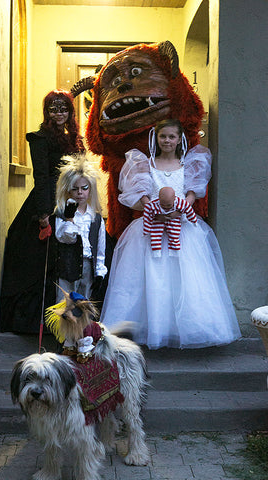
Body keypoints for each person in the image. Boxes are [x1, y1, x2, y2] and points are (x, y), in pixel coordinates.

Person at [100, 118, 241, 349]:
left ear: (179, 139)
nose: (167, 140)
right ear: (156, 138)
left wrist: (178, 209)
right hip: (151, 228)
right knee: (151, 277)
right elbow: (143, 193)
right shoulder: (146, 164)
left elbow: (192, 194)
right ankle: (149, 328)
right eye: (163, 136)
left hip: (181, 228)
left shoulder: (189, 164)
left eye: (171, 137)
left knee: (184, 278)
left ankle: (181, 328)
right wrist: (154, 210)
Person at [0, 89, 84, 333]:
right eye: (53, 109)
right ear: (47, 112)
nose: (59, 113)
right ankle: (36, 321)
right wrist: (44, 213)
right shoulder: (40, 138)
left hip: (70, 203)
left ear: (70, 111)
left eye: (64, 109)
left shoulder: (75, 138)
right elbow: (42, 177)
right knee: (39, 262)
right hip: (47, 203)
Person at [53, 154, 107, 302]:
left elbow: (100, 247)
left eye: (84, 188)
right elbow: (64, 237)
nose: (80, 192)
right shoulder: (62, 214)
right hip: (67, 264)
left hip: (88, 266)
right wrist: (70, 219)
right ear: (68, 190)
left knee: (84, 304)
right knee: (65, 304)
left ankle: (83, 326)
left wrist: (99, 271)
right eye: (75, 189)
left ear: (90, 189)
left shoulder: (95, 218)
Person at [142, 186, 198, 256]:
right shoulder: (153, 204)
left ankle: (174, 251)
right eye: (163, 205)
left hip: (176, 219)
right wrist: (146, 228)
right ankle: (156, 251)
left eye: (168, 205)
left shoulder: (180, 203)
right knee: (155, 234)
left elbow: (188, 209)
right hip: (156, 220)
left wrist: (193, 220)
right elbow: (147, 213)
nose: (165, 207)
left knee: (175, 234)